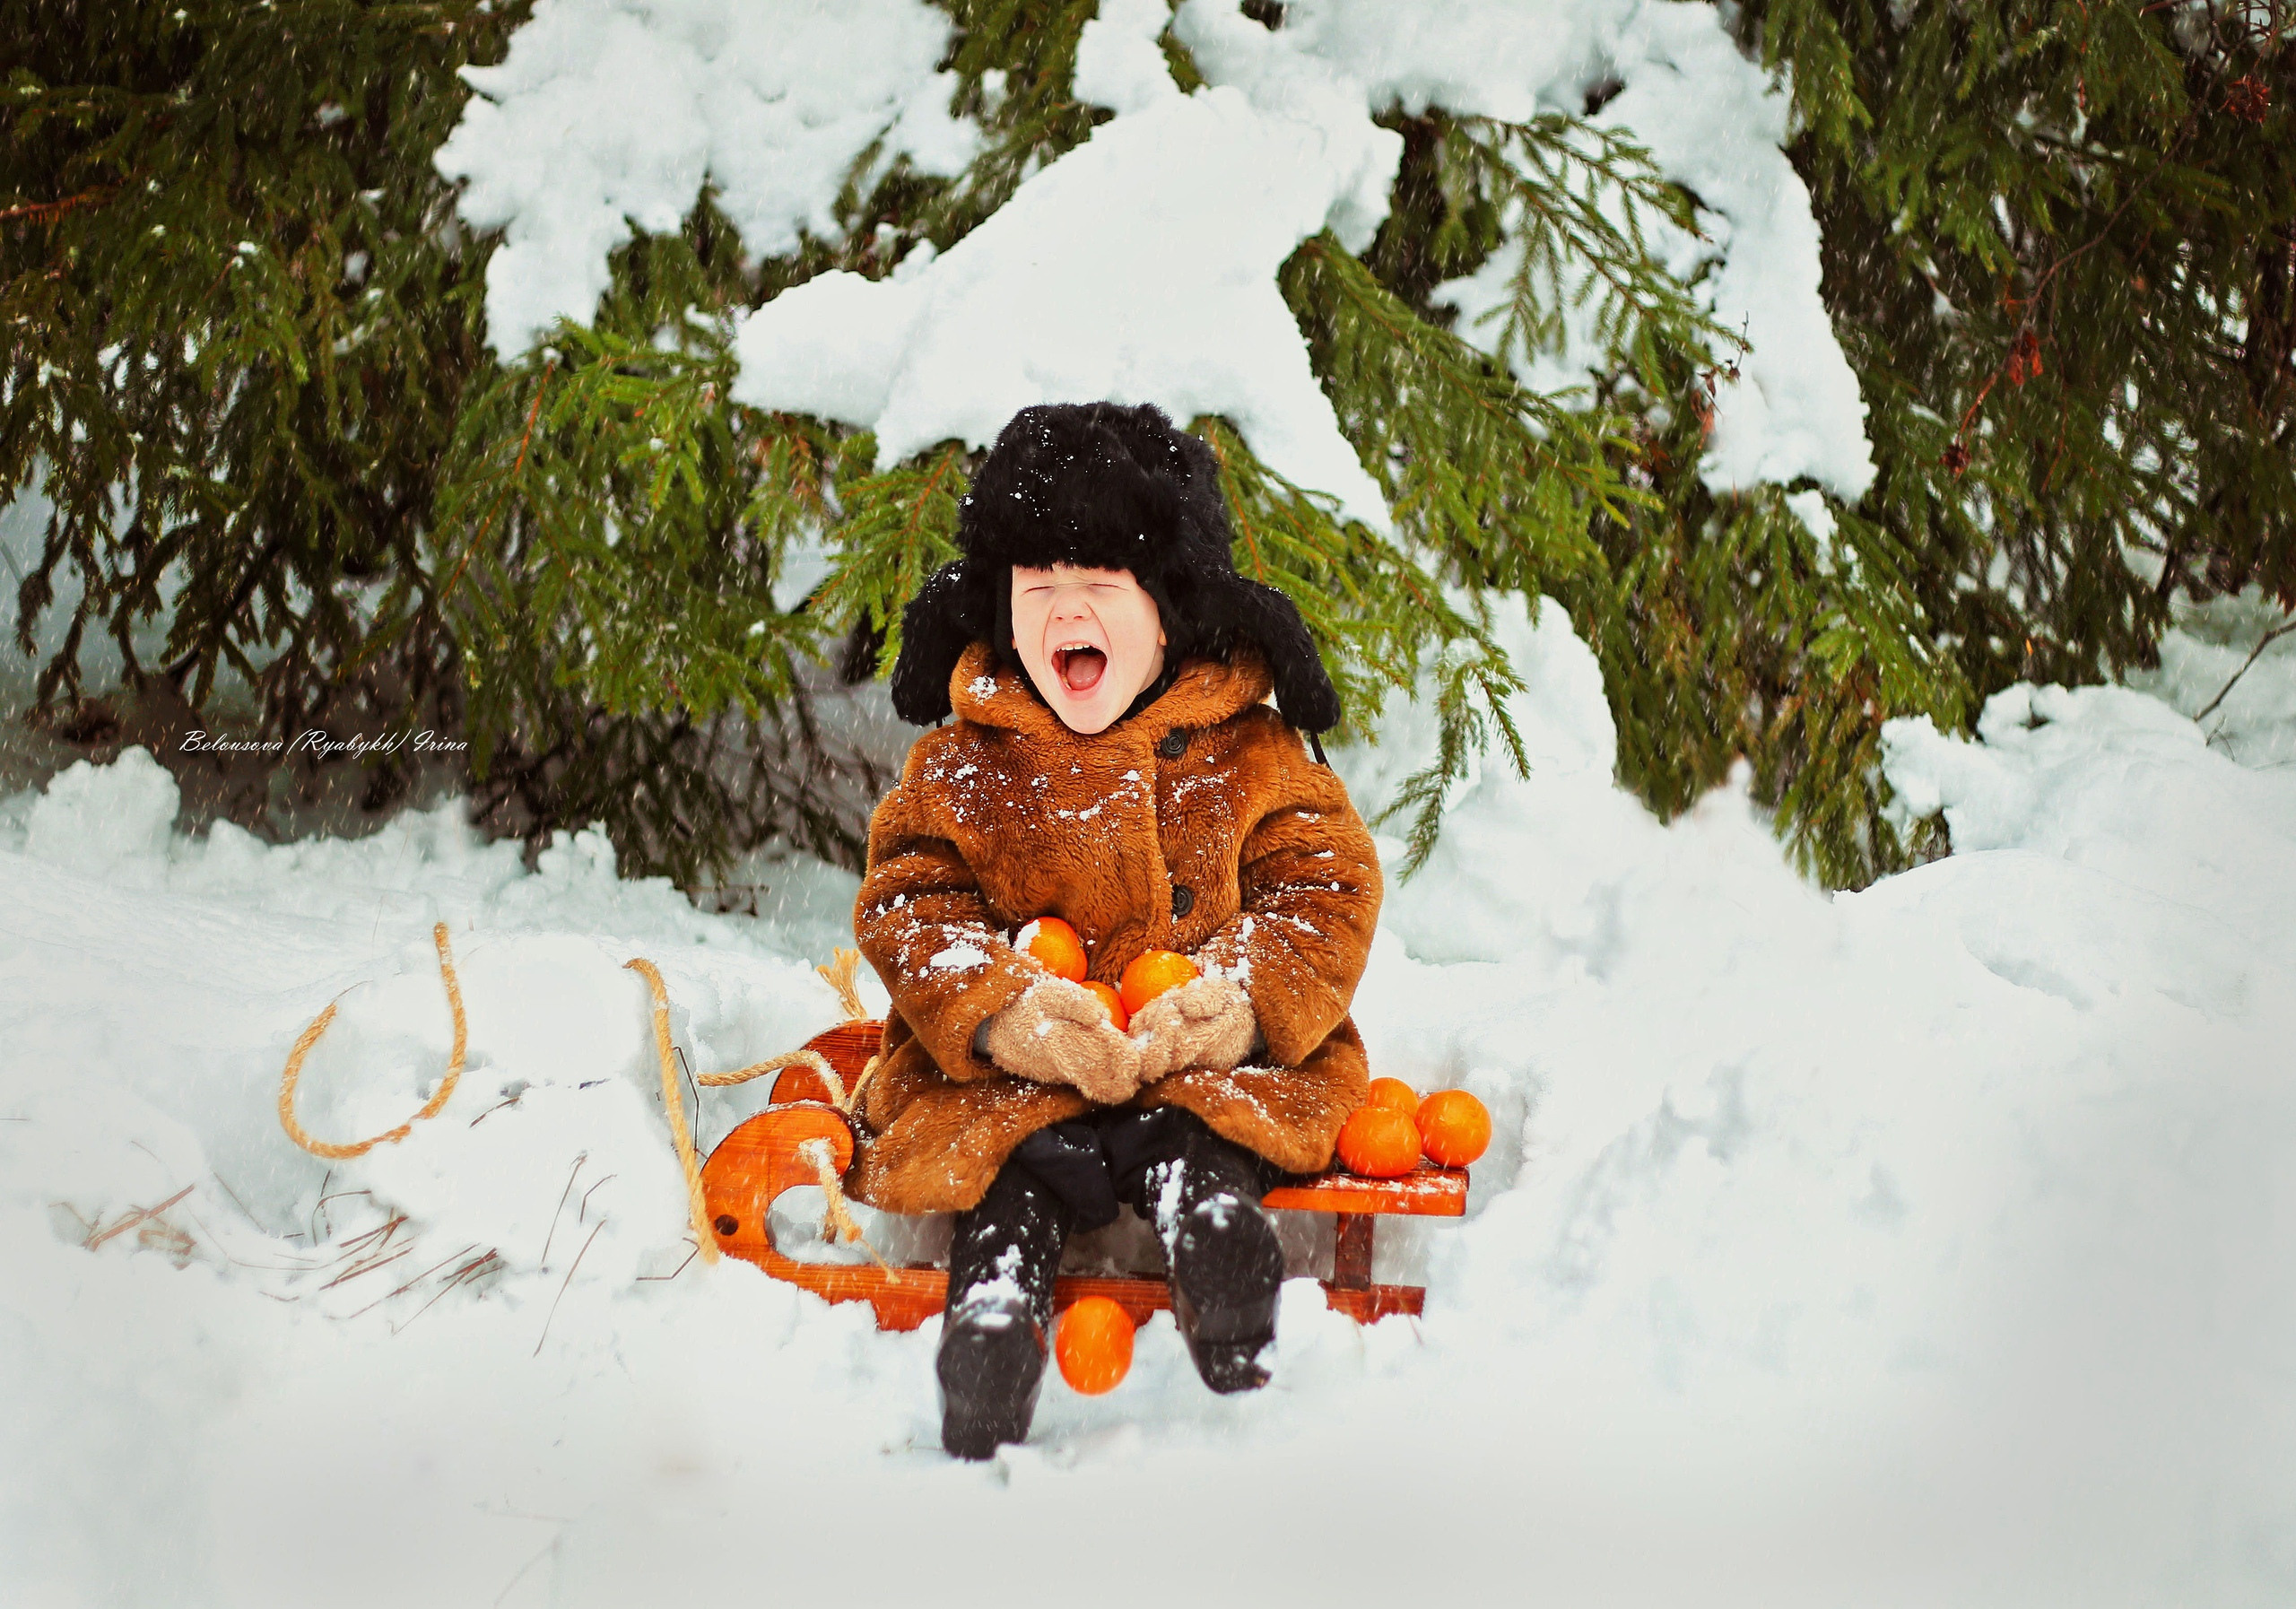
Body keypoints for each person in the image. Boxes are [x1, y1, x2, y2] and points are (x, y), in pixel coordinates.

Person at [849, 401, 1382, 1459]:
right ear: (1001, 614)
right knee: (1006, 1158)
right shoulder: (969, 762)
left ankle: (1218, 1244)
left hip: (1188, 1057)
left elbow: (1323, 886)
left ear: (1171, 614)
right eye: (1038, 591)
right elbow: (911, 905)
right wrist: (1002, 1013)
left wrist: (1236, 1000)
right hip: (1026, 1079)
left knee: (1206, 1133)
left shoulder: (1251, 750)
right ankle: (993, 1316)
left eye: (1097, 590)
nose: (1064, 613)